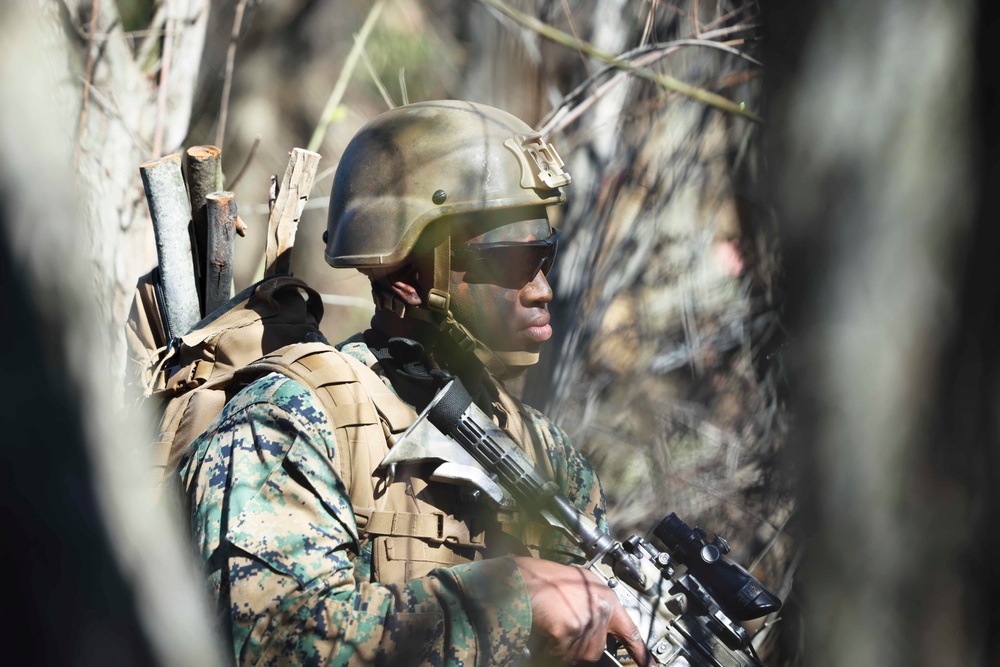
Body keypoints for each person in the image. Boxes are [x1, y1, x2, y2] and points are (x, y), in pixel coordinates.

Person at [178, 100, 650, 666]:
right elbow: (270, 642)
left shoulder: (548, 457)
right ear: (407, 277)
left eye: (545, 257)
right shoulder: (288, 420)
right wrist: (512, 603)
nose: (542, 289)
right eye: (515, 261)